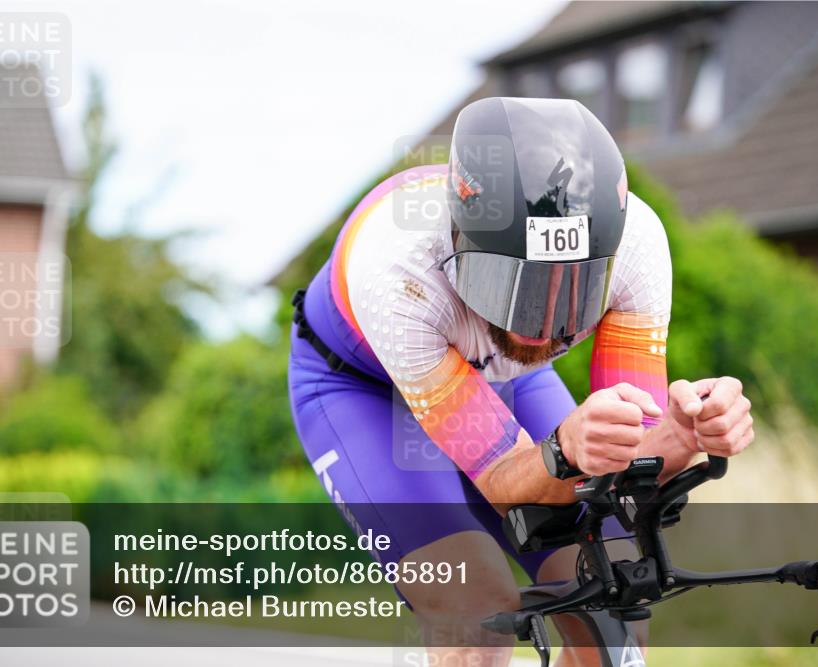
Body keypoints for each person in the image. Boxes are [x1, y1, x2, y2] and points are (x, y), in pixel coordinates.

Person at [288, 97, 754, 666]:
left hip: (506, 378)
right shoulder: (398, 267)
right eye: (511, 284)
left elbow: (632, 473)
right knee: (476, 611)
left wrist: (681, 436)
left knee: (613, 608)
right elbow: (504, 481)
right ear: (459, 239)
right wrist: (564, 451)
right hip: (362, 390)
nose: (540, 325)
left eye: (574, 288)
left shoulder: (637, 247)